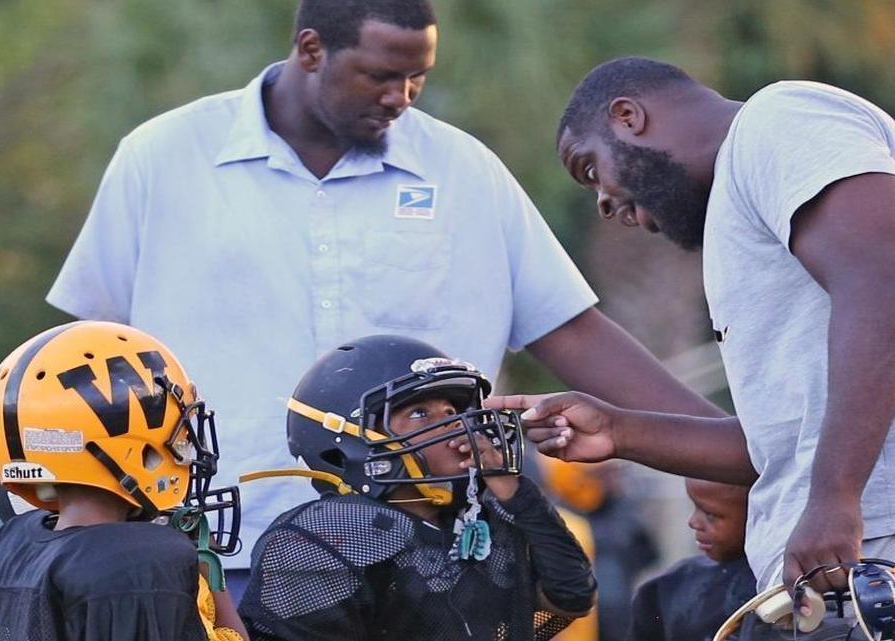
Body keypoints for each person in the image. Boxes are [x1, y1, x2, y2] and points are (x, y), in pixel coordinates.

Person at [45, 0, 720, 591]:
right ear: (311, 49)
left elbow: (570, 332)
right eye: (380, 75)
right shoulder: (162, 158)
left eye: (417, 77)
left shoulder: (462, 171)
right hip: (220, 557)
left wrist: (729, 447)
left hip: (429, 562)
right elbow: (89, 358)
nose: (402, 96)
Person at [488, 56, 895, 641]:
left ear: (629, 117)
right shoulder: (747, 205)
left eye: (591, 170)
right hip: (858, 536)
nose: (605, 204)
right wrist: (620, 431)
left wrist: (834, 500)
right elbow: (782, 445)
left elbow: (881, 287)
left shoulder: (781, 119)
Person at [239, 334, 596, 640]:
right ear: (348, 440)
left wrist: (513, 490)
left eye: (452, 411)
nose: (454, 426)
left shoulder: (481, 517)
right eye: (420, 414)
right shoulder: (328, 534)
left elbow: (572, 595)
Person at [0, 320, 246, 641]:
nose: (187, 447)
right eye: (180, 435)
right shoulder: (143, 563)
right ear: (133, 448)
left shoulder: (7, 545)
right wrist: (208, 575)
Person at [537, 458, 657, 641]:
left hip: (617, 621)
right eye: (602, 474)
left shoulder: (622, 512)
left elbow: (646, 557)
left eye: (612, 473)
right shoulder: (556, 520)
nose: (612, 480)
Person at [627, 479, 755, 641]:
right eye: (695, 507)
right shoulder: (666, 587)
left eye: (711, 515)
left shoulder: (781, 587)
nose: (693, 522)